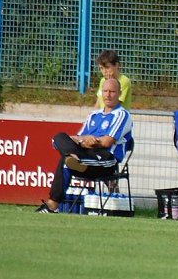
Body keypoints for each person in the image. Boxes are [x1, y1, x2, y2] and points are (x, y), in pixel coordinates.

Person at [36, 77, 133, 213]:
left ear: (119, 93)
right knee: (58, 137)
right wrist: (84, 140)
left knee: (65, 161)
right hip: (85, 155)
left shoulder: (122, 115)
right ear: (101, 93)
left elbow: (106, 142)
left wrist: (86, 142)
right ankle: (73, 157)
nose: (108, 95)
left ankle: (52, 205)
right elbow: (76, 138)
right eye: (105, 91)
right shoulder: (94, 115)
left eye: (112, 91)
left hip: (106, 160)